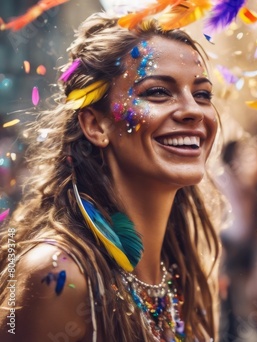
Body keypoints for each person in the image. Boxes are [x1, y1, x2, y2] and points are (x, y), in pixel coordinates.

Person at [0, 12, 220, 342]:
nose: (193, 110)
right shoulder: (58, 274)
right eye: (159, 91)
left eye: (202, 94)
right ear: (95, 125)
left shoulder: (180, 273)